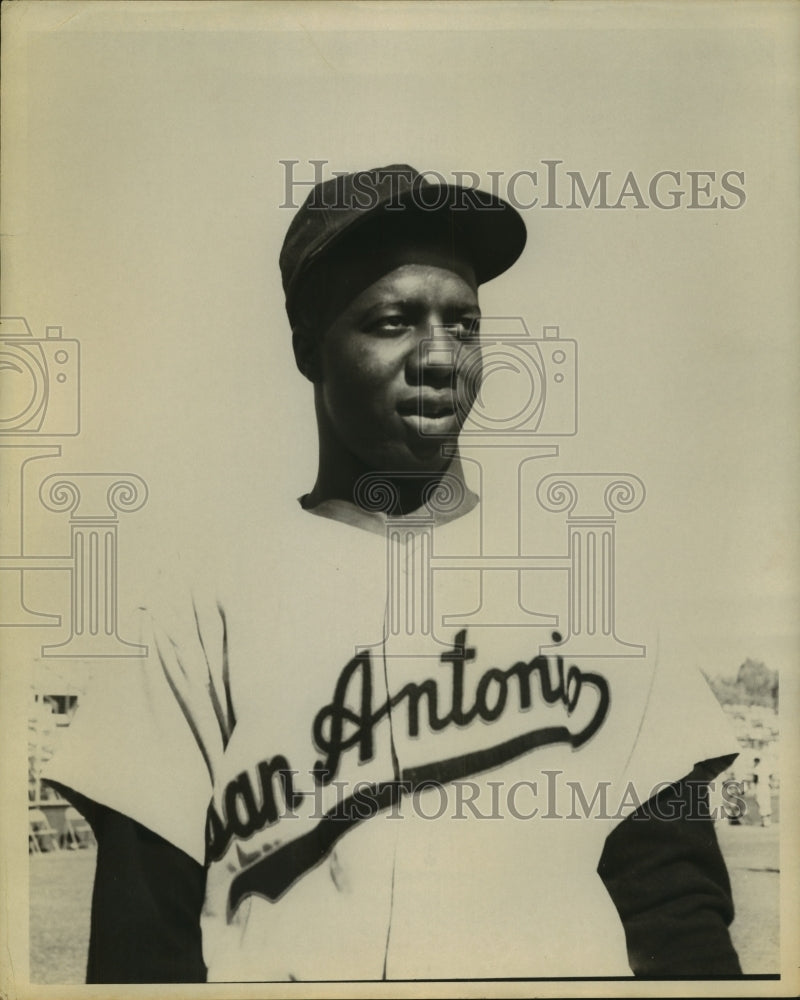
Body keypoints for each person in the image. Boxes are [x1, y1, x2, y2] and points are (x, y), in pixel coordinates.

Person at [46, 165, 743, 983]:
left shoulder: (592, 589)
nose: (442, 356)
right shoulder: (200, 602)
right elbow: (141, 935)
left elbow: (674, 905)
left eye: (465, 324)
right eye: (394, 321)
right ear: (311, 350)